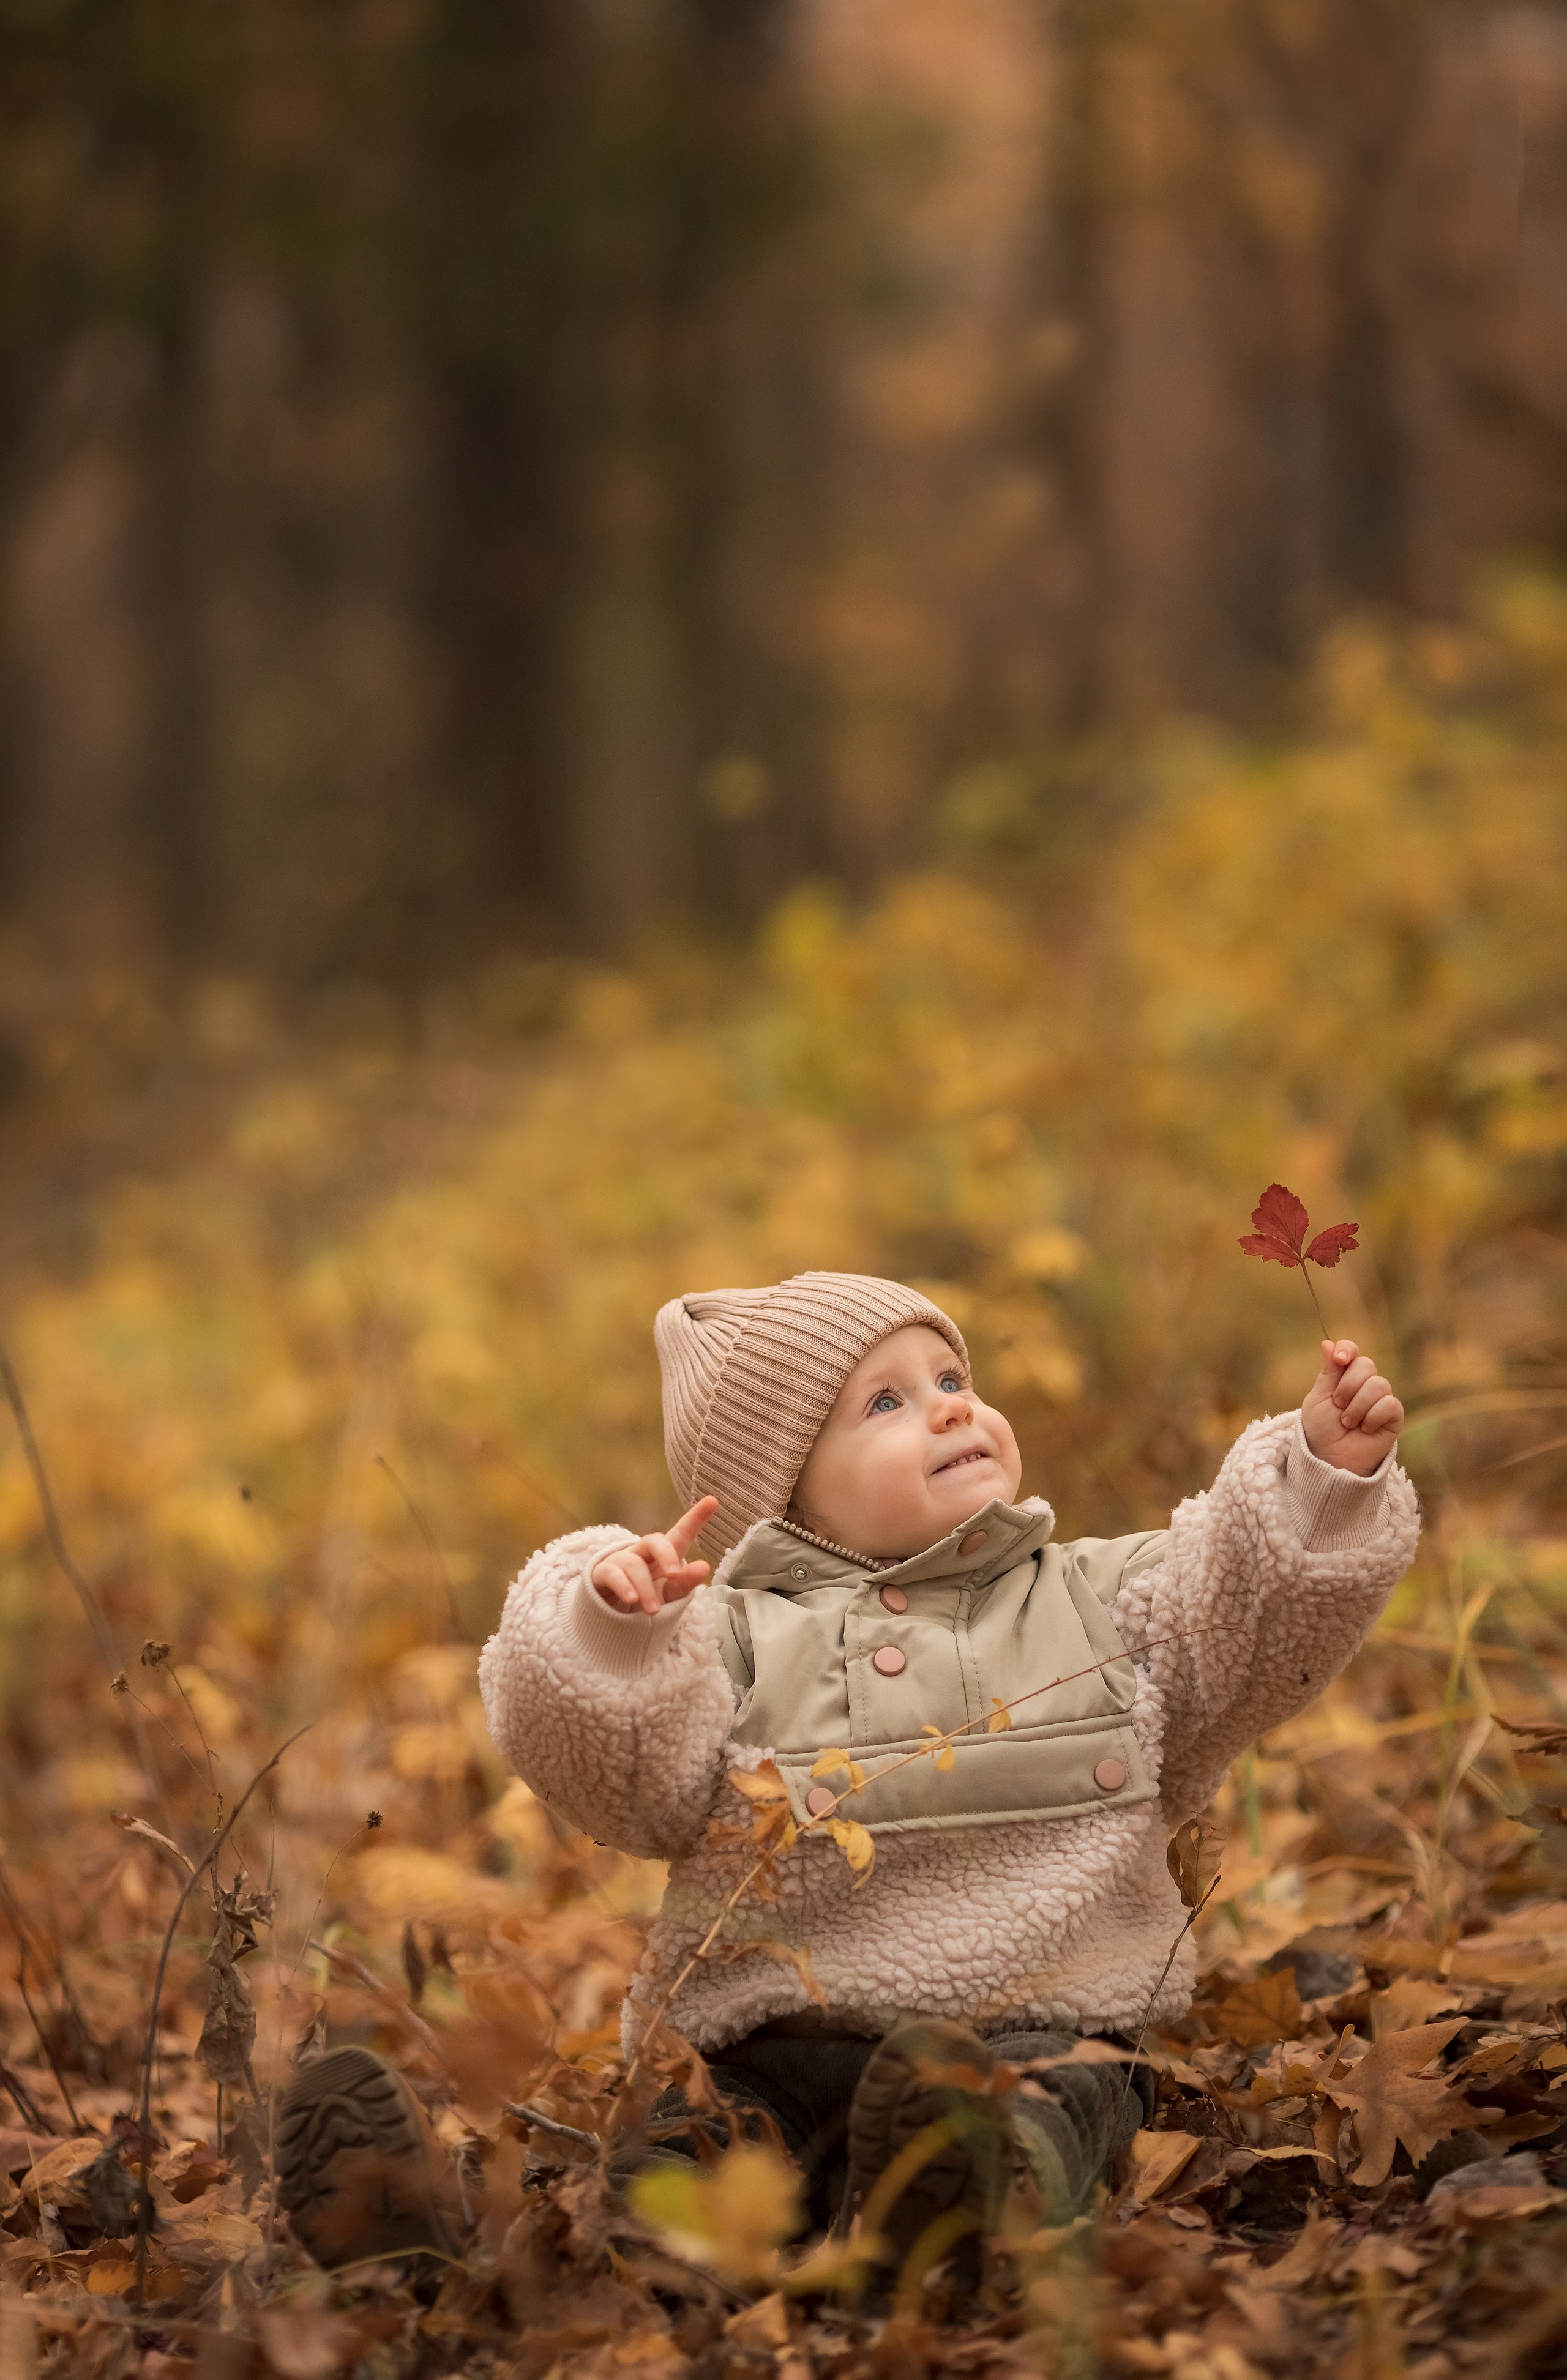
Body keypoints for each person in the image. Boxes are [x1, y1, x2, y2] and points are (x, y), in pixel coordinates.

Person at [278, 1272, 1418, 2280]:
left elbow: (1243, 1609)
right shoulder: (726, 1641)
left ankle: (963, 2204)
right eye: (888, 1401)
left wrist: (1320, 1480)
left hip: (1042, 2019)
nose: (952, 1404)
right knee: (675, 2161)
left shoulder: (1100, 1597)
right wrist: (612, 1627)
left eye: (952, 1374)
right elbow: (616, 1778)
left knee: (1047, 2102)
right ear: (787, 1492)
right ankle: (446, 2245)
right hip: (769, 2049)